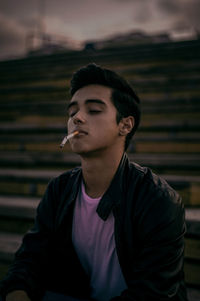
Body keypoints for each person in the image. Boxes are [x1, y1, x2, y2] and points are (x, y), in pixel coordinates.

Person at [0, 64, 187, 301]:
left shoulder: (158, 200)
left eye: (94, 110)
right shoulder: (59, 189)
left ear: (125, 125)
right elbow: (29, 259)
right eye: (72, 112)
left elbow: (152, 293)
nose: (77, 118)